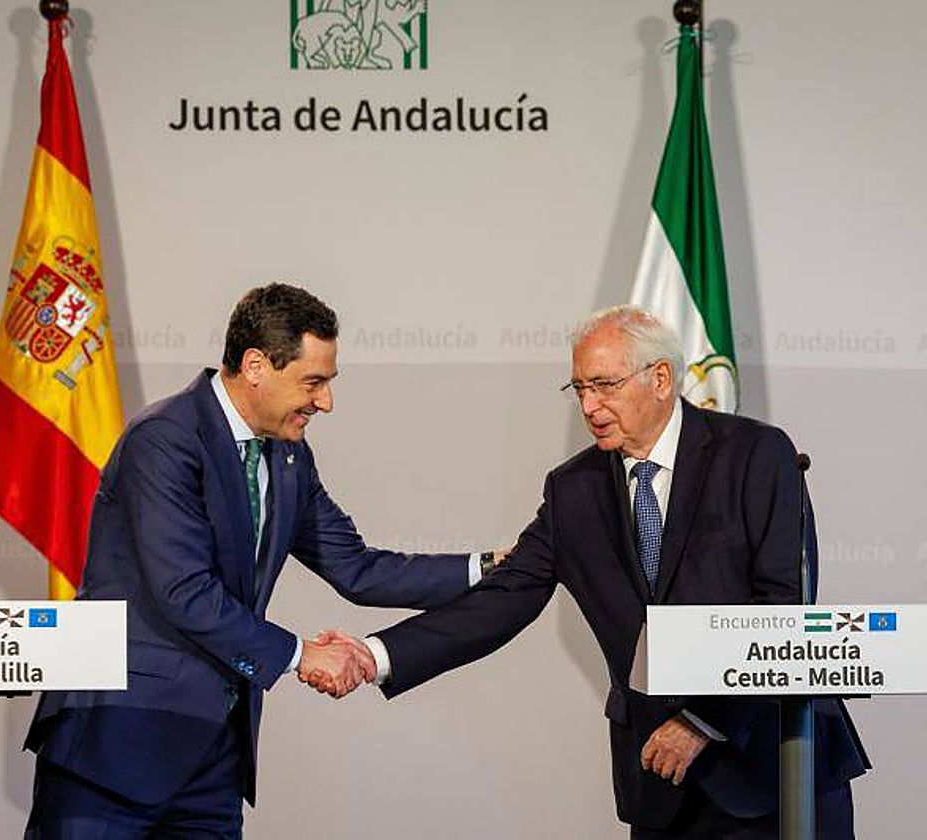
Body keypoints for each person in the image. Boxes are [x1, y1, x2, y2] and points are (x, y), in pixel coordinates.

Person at [314, 305, 869, 838]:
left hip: (773, 764)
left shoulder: (756, 454)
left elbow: (783, 606)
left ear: (659, 379)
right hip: (659, 782)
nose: (588, 405)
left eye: (604, 385)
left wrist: (703, 720)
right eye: (579, 388)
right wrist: (375, 655)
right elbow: (501, 600)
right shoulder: (572, 489)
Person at [24, 282, 502, 838]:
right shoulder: (165, 440)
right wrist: (301, 656)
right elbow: (184, 592)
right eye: (313, 382)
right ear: (255, 366)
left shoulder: (290, 456)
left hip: (215, 760)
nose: (326, 401)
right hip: (116, 747)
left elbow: (357, 567)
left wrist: (491, 567)